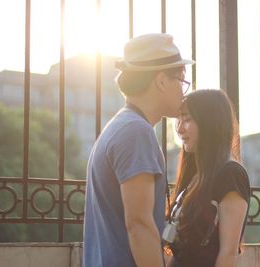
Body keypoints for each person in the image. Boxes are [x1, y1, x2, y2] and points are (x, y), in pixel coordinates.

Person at [83, 33, 194, 267]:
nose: (184, 91)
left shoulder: (122, 125)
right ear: (161, 81)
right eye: (182, 80)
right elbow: (139, 225)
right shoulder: (136, 132)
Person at [164, 89, 251, 267]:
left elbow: (228, 253)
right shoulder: (195, 173)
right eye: (178, 120)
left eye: (187, 119)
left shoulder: (231, 174)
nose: (179, 128)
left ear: (210, 123)